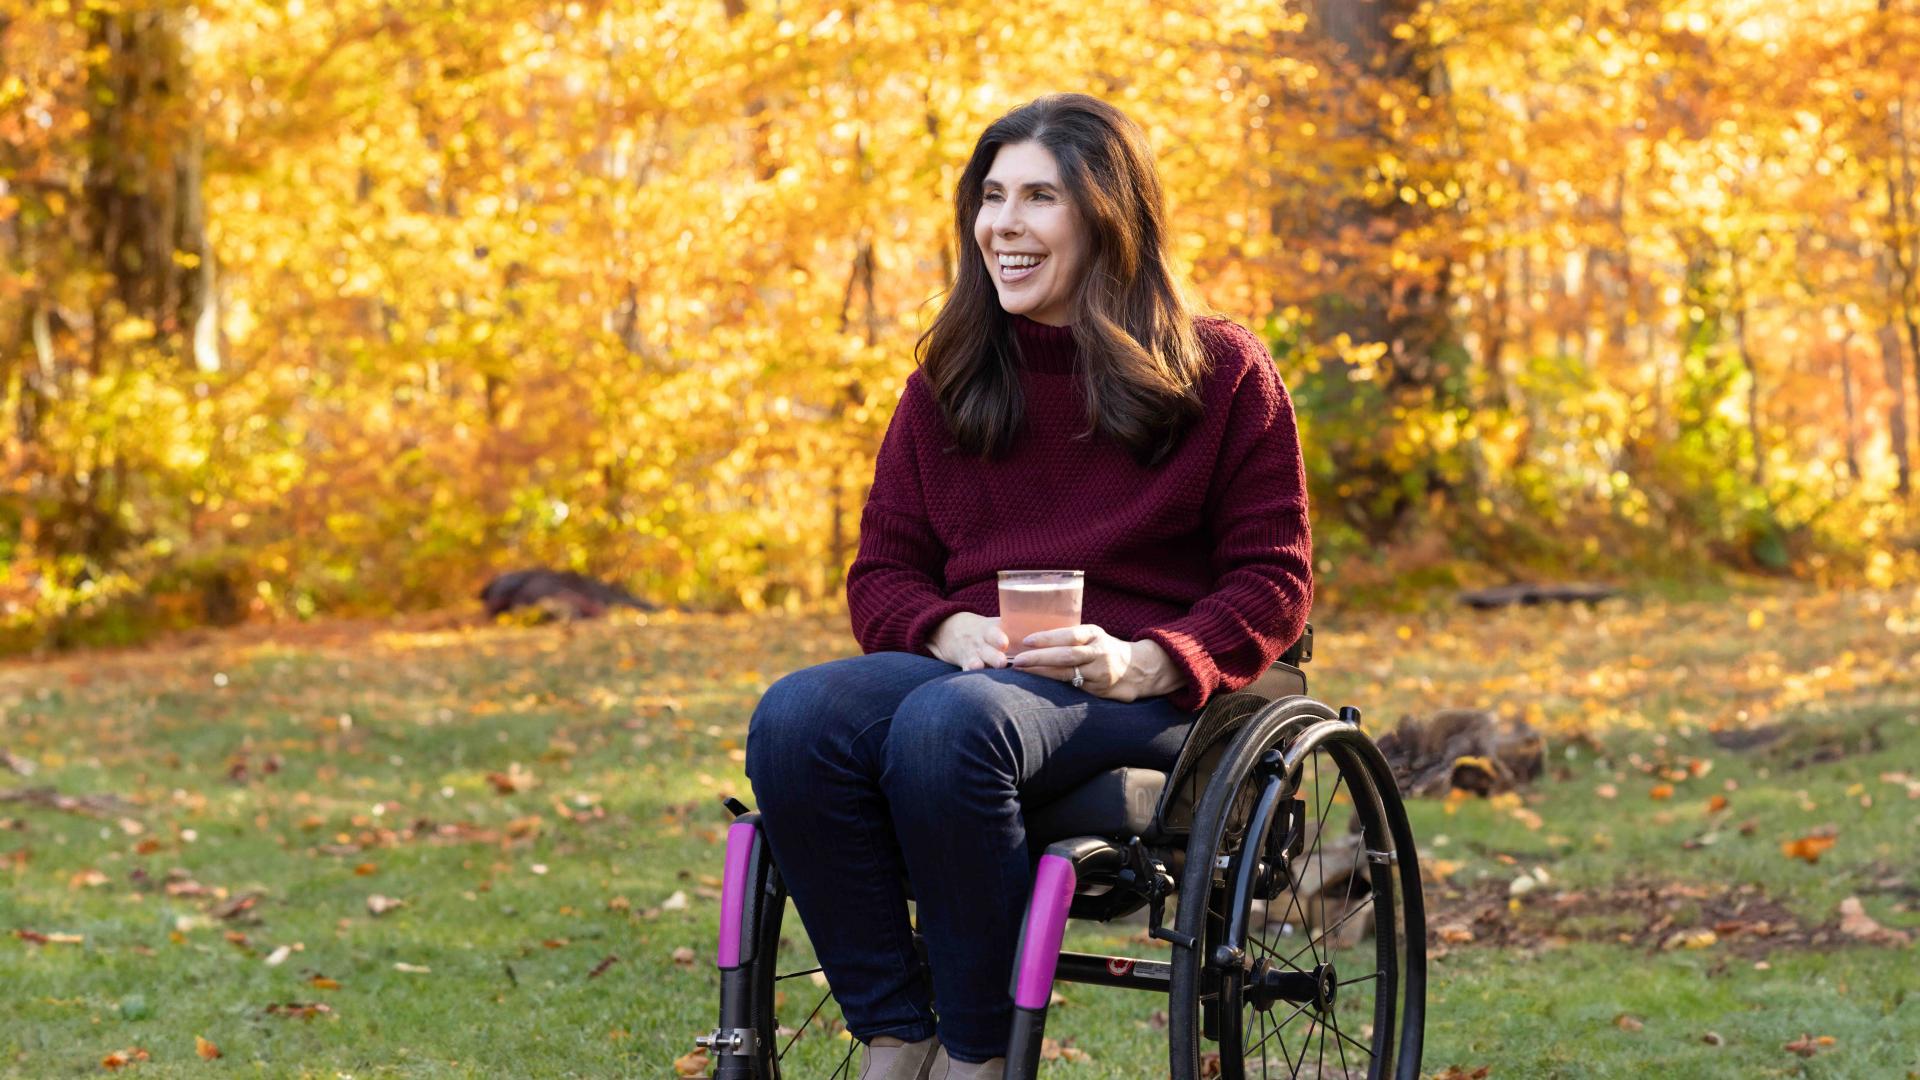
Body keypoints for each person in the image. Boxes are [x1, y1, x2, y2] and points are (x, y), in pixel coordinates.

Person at [744, 93, 1311, 1080]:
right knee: (796, 718)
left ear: (1107, 214)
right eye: (991, 195)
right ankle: (895, 1027)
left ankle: (979, 1052)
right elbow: (882, 573)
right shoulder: (950, 384)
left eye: (1039, 196)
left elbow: (1274, 580)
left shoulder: (1221, 371)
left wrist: (1141, 661)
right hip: (978, 676)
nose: (1003, 224)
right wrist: (945, 630)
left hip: (1133, 695)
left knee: (952, 728)